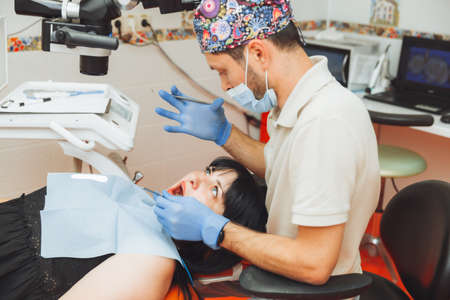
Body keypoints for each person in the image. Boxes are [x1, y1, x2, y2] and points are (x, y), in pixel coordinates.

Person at [154, 0, 380, 290]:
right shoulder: (297, 103)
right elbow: (283, 166)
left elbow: (314, 264)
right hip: (282, 281)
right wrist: (224, 133)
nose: (224, 86)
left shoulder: (325, 123)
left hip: (310, 293)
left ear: (258, 53)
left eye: (223, 71)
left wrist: (217, 229)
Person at [0, 157, 267, 300]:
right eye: (208, 170)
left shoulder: (152, 263)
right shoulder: (138, 200)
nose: (196, 177)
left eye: (214, 190)